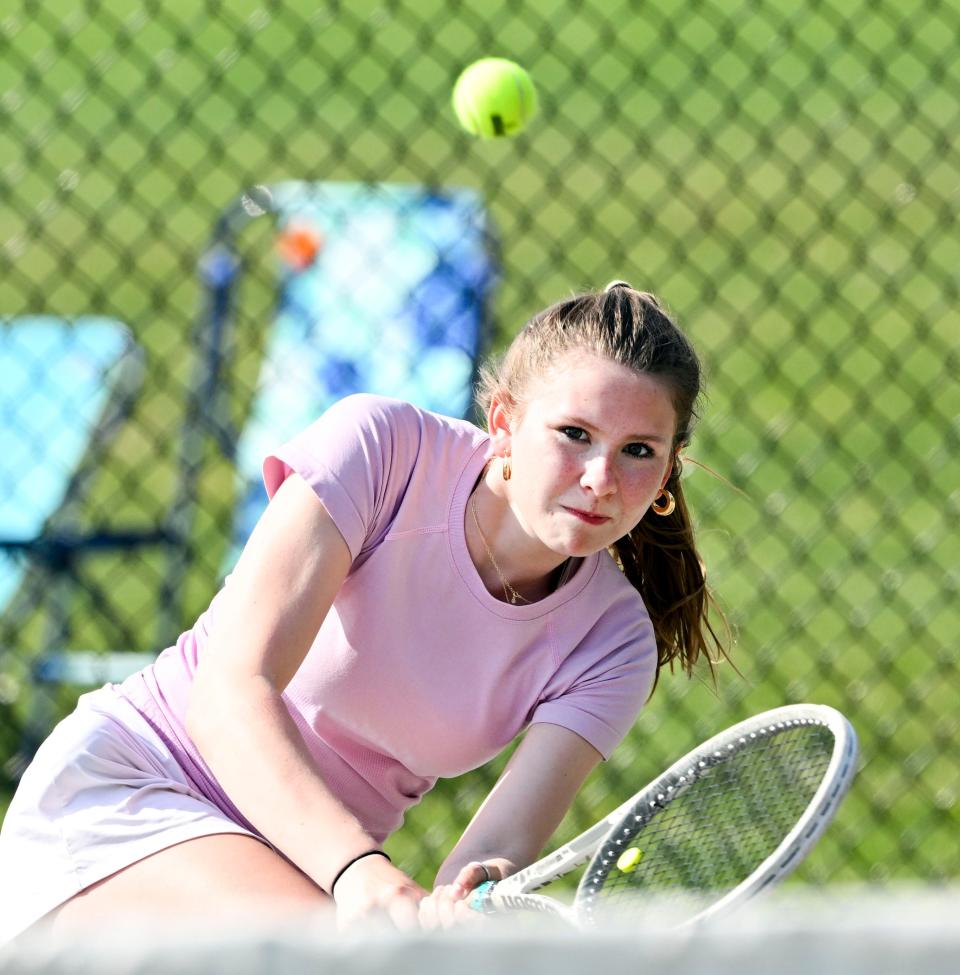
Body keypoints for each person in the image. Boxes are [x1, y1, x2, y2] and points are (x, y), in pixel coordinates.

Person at [0, 281, 728, 941]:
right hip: (138, 790)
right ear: (504, 422)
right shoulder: (382, 448)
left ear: (668, 470)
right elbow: (227, 696)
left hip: (311, 876)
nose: (602, 479)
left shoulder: (613, 643)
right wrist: (356, 870)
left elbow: (492, 850)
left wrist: (469, 894)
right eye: (574, 434)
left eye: (638, 450)